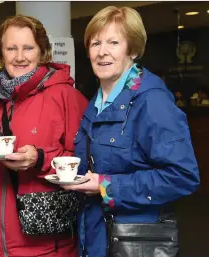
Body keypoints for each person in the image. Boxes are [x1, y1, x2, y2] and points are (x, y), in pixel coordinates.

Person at [63, 6, 200, 257]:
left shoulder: (152, 101)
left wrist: (107, 186)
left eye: (113, 42)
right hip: (95, 237)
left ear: (133, 49)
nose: (102, 52)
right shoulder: (95, 102)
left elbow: (182, 176)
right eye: (95, 43)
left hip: (135, 241)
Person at [0, 15, 88, 257]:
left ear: (42, 50)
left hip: (45, 244)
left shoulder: (65, 96)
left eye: (28, 48)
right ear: (1, 53)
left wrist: (40, 158)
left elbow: (85, 164)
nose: (20, 57)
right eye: (11, 48)